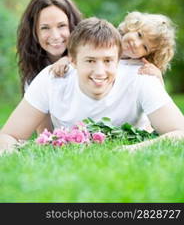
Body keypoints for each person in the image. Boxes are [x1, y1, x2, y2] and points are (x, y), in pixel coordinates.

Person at [0, 17, 184, 154]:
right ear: (72, 60)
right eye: (90, 60)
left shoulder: (142, 77)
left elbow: (180, 133)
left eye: (108, 60)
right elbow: (7, 136)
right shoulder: (51, 79)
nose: (100, 72)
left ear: (119, 59)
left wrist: (130, 150)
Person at [51, 11, 176, 131]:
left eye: (144, 47)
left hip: (130, 124)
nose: (136, 44)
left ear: (148, 55)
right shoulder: (106, 41)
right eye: (139, 35)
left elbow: (158, 97)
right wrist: (65, 60)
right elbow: (82, 54)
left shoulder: (139, 68)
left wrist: (158, 77)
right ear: (131, 27)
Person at [16, 0, 82, 133]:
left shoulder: (89, 61)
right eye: (45, 28)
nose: (55, 36)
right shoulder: (34, 75)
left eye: (62, 26)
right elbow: (46, 134)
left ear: (73, 26)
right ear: (34, 33)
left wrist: (70, 59)